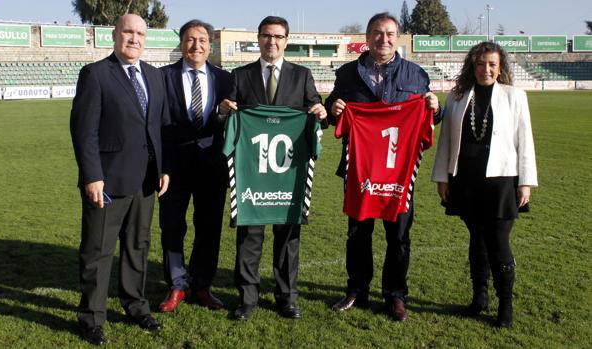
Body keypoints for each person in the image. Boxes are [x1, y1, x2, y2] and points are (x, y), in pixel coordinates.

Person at [324, 12, 441, 321]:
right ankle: (357, 289)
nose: (383, 39)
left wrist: (435, 107)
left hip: (399, 171)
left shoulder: (415, 73)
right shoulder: (348, 73)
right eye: (377, 33)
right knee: (358, 233)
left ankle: (395, 294)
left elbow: (430, 118)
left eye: (389, 34)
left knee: (399, 236)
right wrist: (333, 109)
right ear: (368, 36)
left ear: (397, 37)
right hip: (360, 170)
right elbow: (331, 114)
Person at [218, 15, 327, 320]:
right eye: (267, 36)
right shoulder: (240, 76)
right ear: (259, 38)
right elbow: (227, 121)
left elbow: (317, 115)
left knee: (288, 237)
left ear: (286, 41)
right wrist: (223, 111)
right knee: (249, 236)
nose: (272, 41)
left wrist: (320, 113)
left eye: (278, 36)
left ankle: (287, 297)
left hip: (288, 173)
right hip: (252, 172)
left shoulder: (302, 75)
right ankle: (247, 298)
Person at [70, 14, 169, 345]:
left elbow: (158, 129)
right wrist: (92, 175)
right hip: (107, 183)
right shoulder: (96, 75)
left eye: (140, 33)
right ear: (114, 35)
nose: (135, 38)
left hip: (145, 182)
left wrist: (163, 168)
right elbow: (84, 133)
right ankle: (91, 318)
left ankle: (136, 306)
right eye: (128, 31)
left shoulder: (154, 77)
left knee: (137, 247)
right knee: (97, 251)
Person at [431, 42, 537, 328]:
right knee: (477, 240)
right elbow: (446, 142)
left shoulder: (515, 96)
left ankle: (506, 304)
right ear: (472, 66)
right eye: (480, 64)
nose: (486, 69)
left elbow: (524, 141)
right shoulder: (457, 96)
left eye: (491, 64)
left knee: (498, 242)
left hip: (502, 181)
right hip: (465, 179)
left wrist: (525, 182)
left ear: (500, 66)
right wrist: (442, 176)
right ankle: (480, 298)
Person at [157, 20, 230, 313]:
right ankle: (176, 285)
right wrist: (160, 165)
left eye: (201, 40)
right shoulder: (162, 77)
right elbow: (156, 125)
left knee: (209, 228)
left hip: (213, 167)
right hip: (173, 168)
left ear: (210, 45)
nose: (196, 45)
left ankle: (202, 286)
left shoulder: (226, 79)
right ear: (181, 43)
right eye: (190, 39)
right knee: (172, 227)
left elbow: (234, 120)